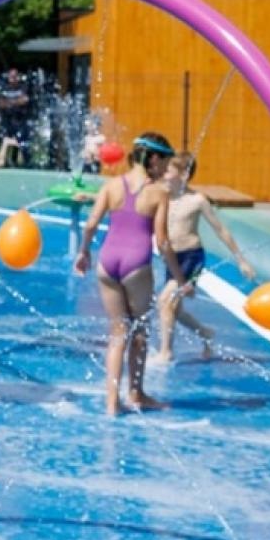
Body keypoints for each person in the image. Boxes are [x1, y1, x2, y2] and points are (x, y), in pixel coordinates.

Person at [72, 132, 186, 415]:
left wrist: (84, 253)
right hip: (136, 265)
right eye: (164, 163)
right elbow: (163, 241)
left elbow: (90, 224)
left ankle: (112, 402)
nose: (164, 170)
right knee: (140, 332)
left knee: (117, 333)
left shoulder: (112, 186)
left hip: (107, 263)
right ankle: (136, 394)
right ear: (154, 158)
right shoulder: (159, 193)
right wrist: (179, 278)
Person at [154, 152, 256, 364]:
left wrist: (241, 260)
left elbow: (221, 230)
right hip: (172, 258)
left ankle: (166, 352)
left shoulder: (197, 200)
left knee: (165, 301)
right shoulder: (162, 197)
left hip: (191, 257)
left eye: (169, 171)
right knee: (175, 309)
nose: (164, 174)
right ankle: (205, 332)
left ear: (184, 174)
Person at [0, 68, 31, 167]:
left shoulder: (23, 87)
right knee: (4, 141)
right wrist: (16, 102)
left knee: (22, 142)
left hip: (20, 120)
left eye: (15, 76)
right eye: (11, 76)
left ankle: (26, 163)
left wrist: (9, 102)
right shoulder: (4, 88)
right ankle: (4, 161)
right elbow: (0, 104)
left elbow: (25, 100)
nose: (13, 79)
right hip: (7, 121)